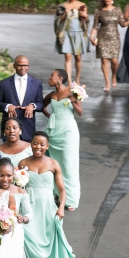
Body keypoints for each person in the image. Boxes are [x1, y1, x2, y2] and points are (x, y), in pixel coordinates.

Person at [18, 132, 75, 258]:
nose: (38, 147)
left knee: (46, 252)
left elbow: (62, 190)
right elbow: (18, 188)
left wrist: (60, 208)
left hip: (49, 210)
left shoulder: (53, 163)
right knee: (27, 249)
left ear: (47, 146)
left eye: (42, 144)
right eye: (35, 143)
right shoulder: (23, 163)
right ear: (31, 145)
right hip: (29, 209)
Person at [42, 69, 82, 210]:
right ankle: (57, 193)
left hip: (68, 132)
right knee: (53, 164)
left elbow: (80, 112)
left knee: (68, 165)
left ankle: (71, 199)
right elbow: (42, 106)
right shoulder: (52, 94)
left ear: (60, 78)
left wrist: (74, 102)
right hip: (53, 131)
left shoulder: (72, 91)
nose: (49, 78)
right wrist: (51, 117)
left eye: (51, 75)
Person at [0, 55, 44, 142]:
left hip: (28, 130)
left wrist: (33, 106)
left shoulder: (37, 84)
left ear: (28, 66)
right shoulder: (4, 84)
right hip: (9, 131)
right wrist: (7, 106)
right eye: (20, 65)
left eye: (25, 65)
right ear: (14, 66)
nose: (22, 68)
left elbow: (40, 104)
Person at [89, 0, 128, 92]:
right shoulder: (99, 11)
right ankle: (107, 83)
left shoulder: (117, 10)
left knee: (114, 61)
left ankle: (114, 75)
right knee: (104, 60)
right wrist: (92, 36)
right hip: (102, 38)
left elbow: (123, 24)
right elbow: (95, 26)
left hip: (114, 38)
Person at [54, 0, 90, 85]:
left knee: (78, 57)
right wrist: (65, 14)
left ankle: (77, 79)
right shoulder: (62, 6)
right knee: (68, 56)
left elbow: (86, 21)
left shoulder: (82, 5)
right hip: (66, 33)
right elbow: (57, 21)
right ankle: (69, 81)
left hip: (78, 33)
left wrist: (85, 16)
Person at [0, 157, 33, 225]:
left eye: (9, 175)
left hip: (14, 228)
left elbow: (29, 213)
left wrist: (23, 218)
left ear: (13, 175)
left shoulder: (20, 192)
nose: (5, 179)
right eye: (1, 175)